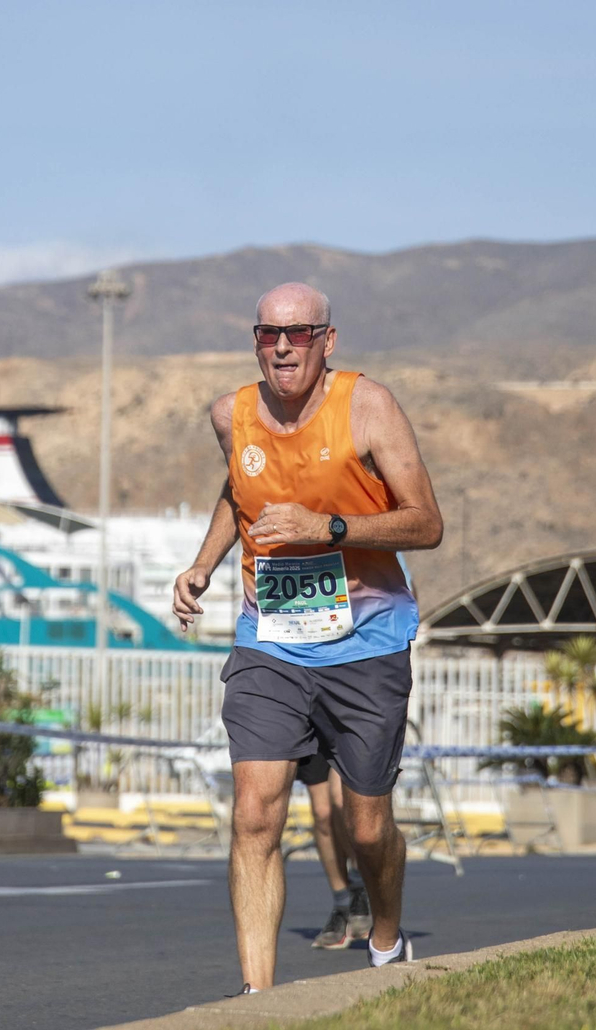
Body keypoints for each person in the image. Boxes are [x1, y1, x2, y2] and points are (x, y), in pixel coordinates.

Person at [173, 283, 442, 993]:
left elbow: (426, 523)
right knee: (255, 812)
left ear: (329, 340)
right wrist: (203, 564)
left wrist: (328, 528)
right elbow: (237, 493)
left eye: (299, 333)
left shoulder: (368, 407)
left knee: (366, 827)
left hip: (367, 640)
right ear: (255, 341)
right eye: (270, 334)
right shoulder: (230, 415)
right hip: (271, 640)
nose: (284, 347)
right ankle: (255, 997)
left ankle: (386, 937)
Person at [299, 754, 371, 949]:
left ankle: (359, 884)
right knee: (322, 813)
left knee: (340, 798)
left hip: (346, 733)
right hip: (313, 734)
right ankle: (343, 905)